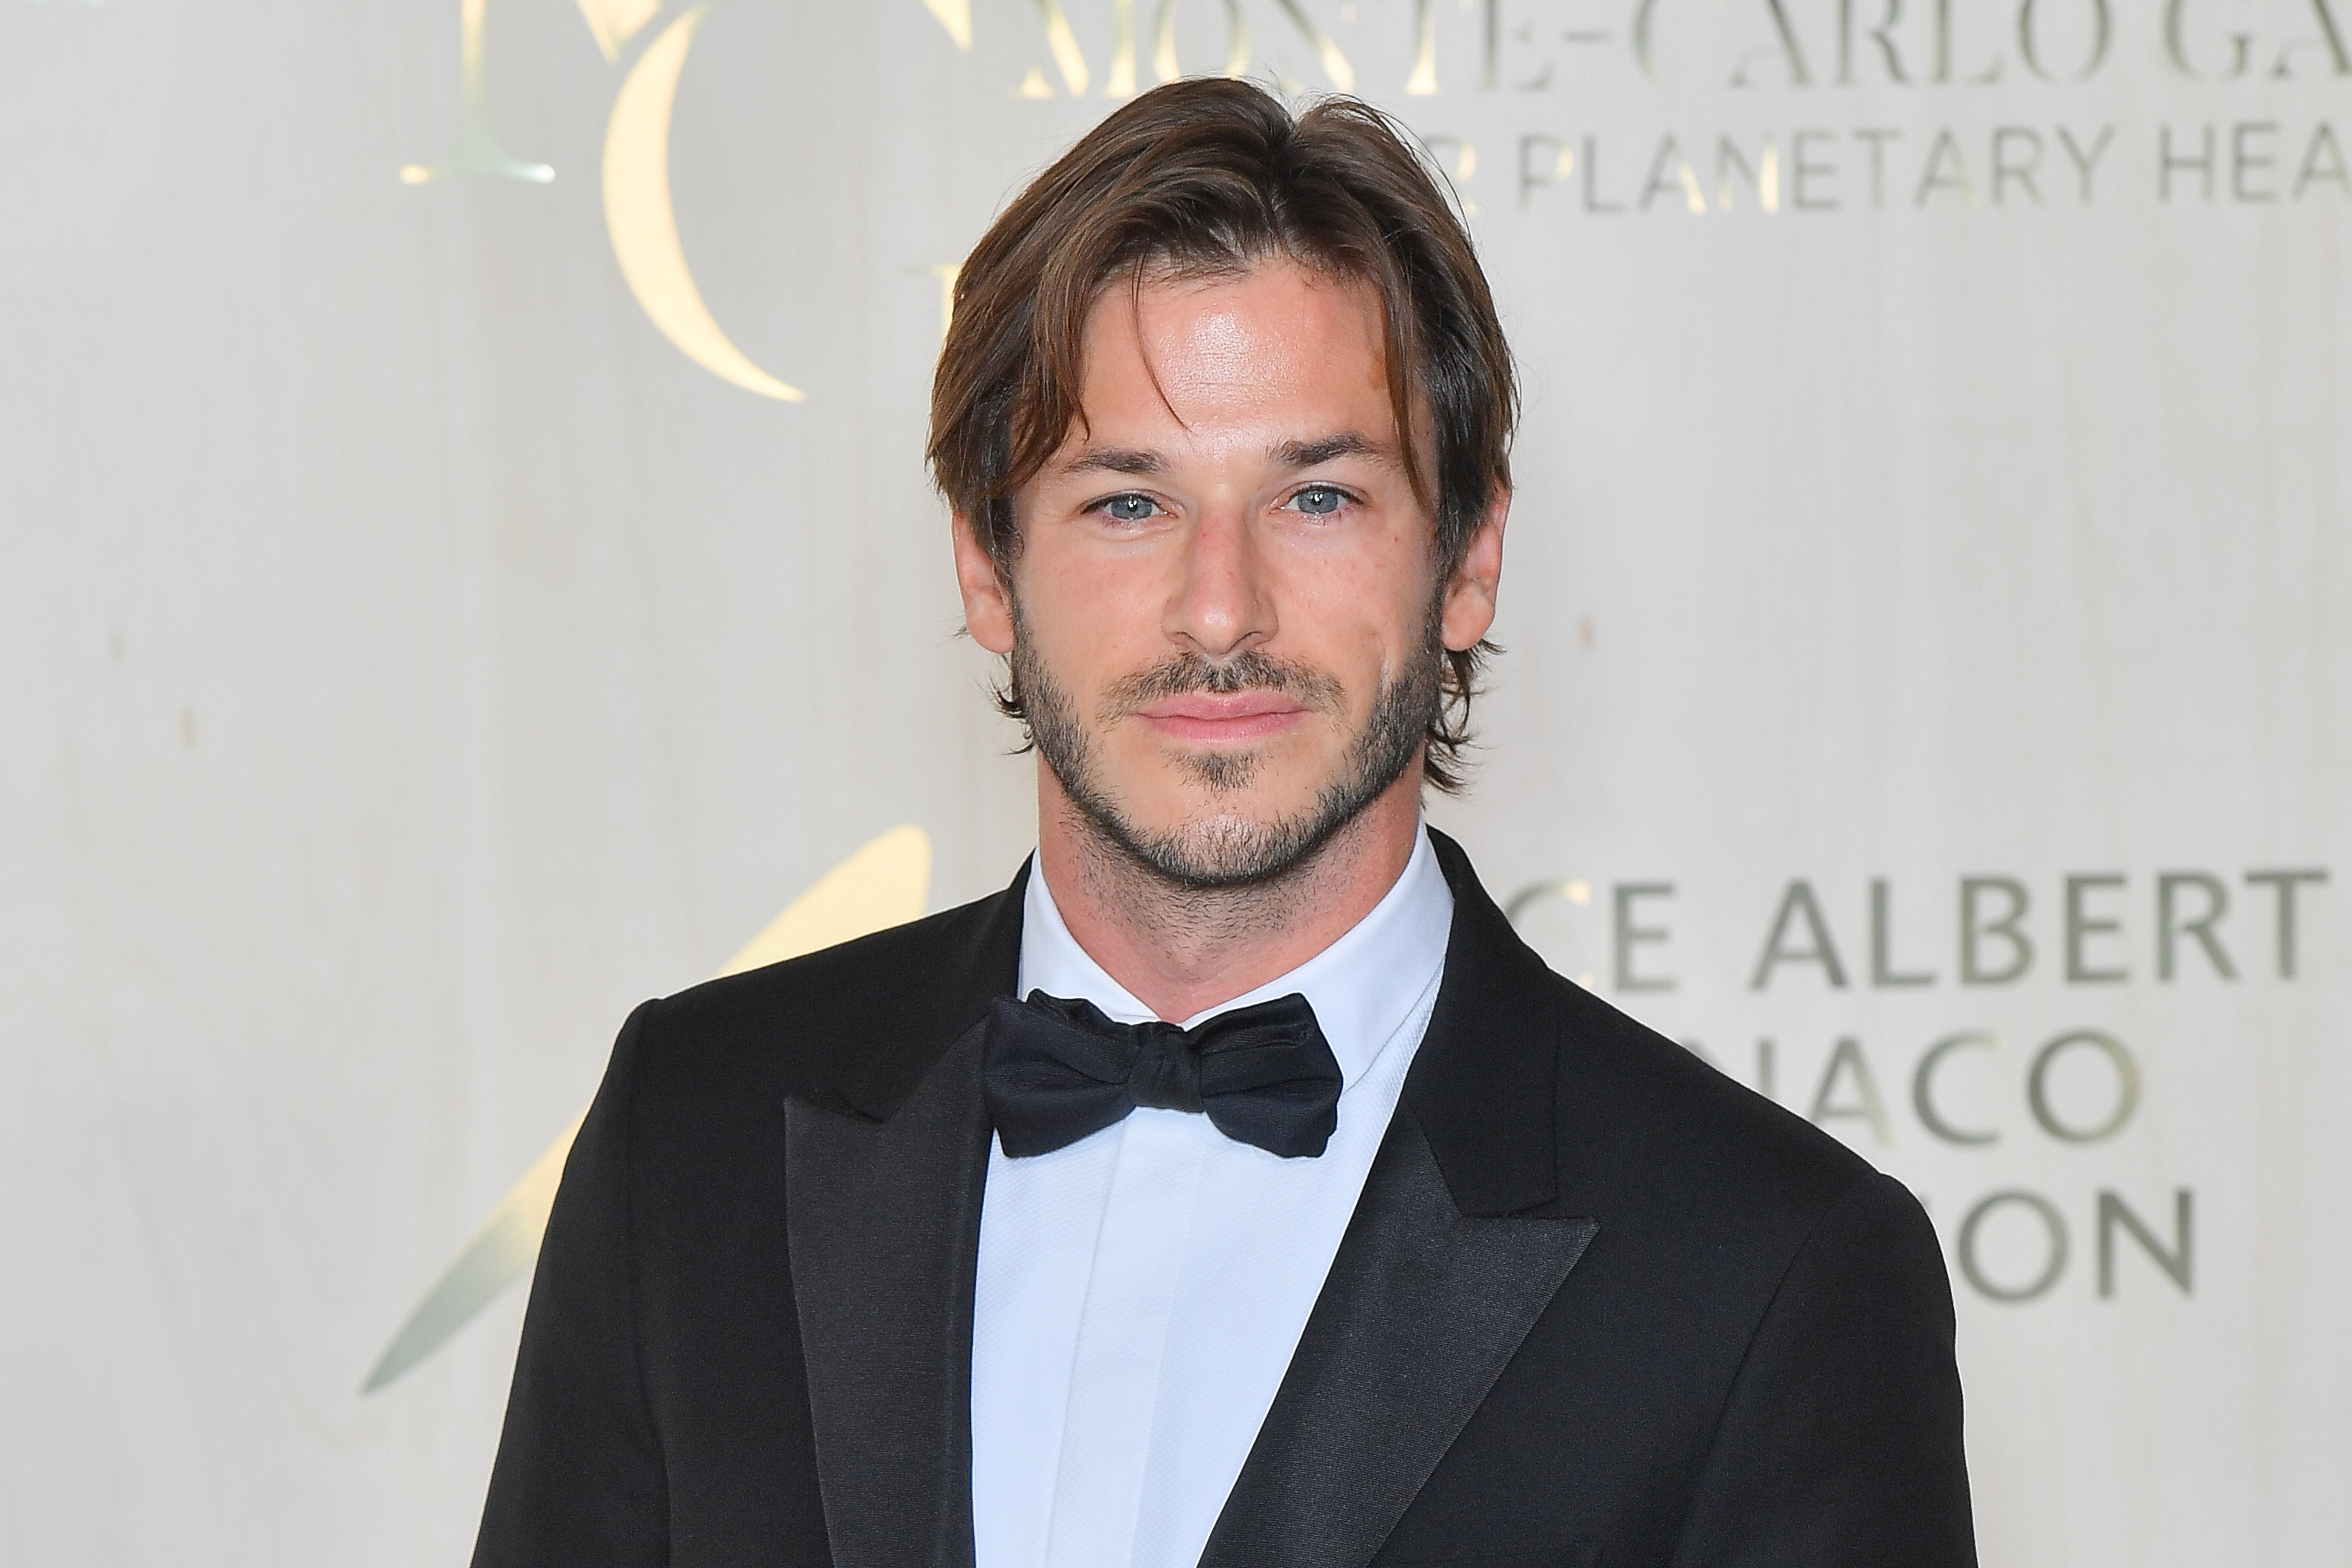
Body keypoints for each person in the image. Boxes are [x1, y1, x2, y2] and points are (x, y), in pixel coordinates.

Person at [472, 77, 1975, 1568]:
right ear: (987, 570)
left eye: (1317, 498)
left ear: (1467, 561)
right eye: (1127, 502)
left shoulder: (1766, 1271)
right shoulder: (691, 1140)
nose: (1219, 610)